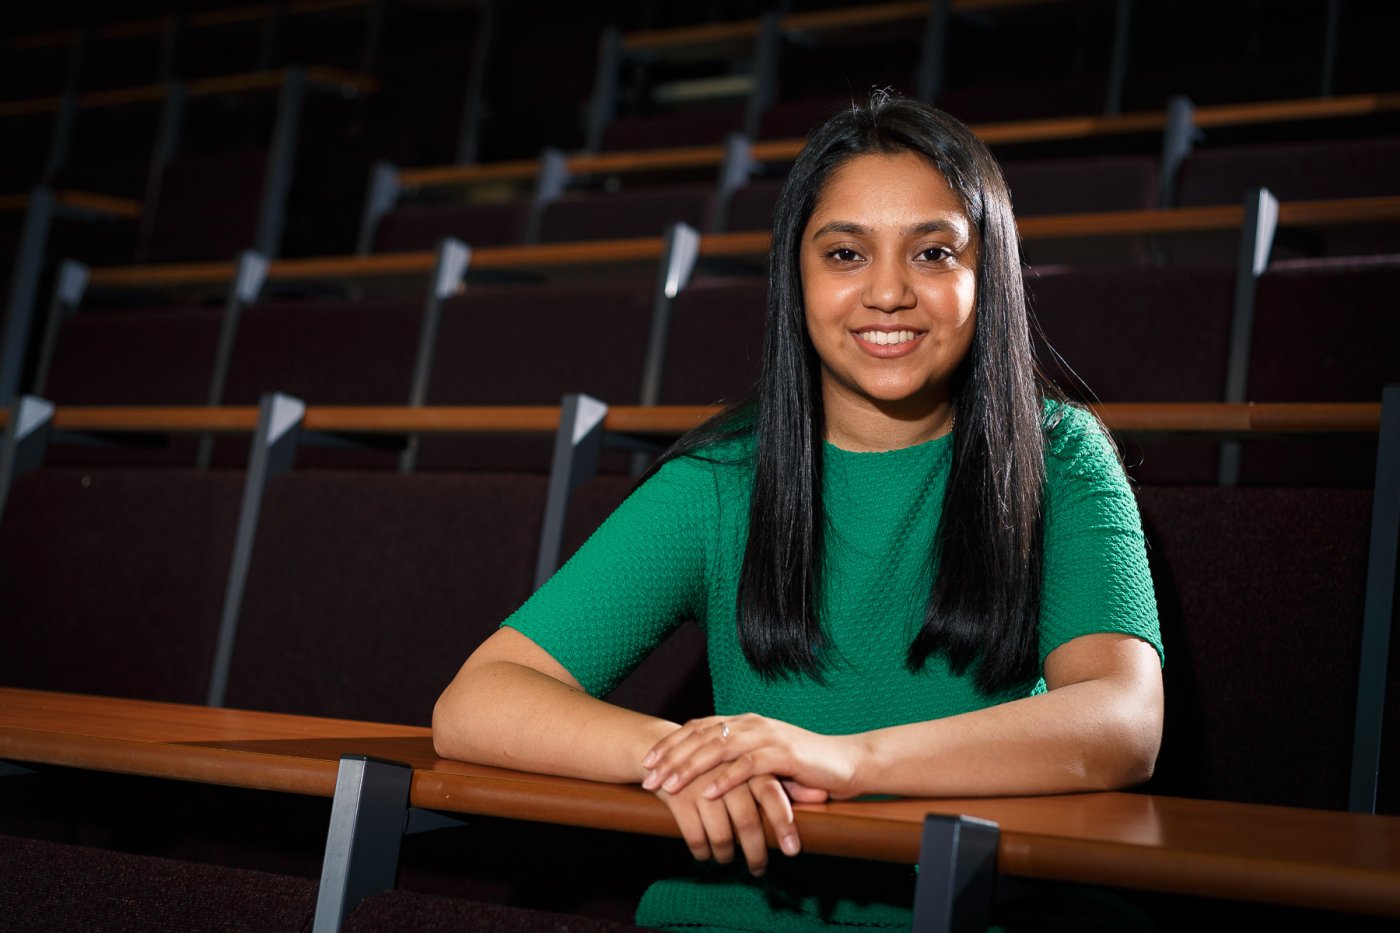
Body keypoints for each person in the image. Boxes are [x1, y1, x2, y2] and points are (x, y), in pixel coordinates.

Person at [433, 92, 1164, 932]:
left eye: (932, 252)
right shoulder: (722, 478)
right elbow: (476, 699)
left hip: (981, 910)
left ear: (985, 275)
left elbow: (1125, 718)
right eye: (846, 253)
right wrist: (687, 759)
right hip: (745, 912)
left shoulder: (1063, 454)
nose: (888, 292)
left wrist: (848, 760)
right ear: (797, 275)